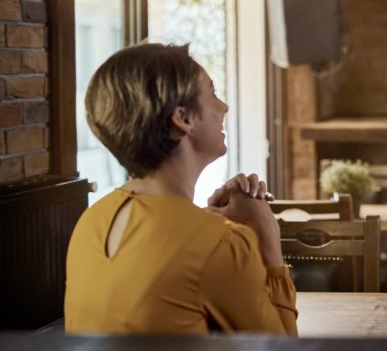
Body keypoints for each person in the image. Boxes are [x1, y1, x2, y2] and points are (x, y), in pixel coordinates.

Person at [64, 43, 297, 335]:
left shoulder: (90, 222)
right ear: (183, 119)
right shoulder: (219, 243)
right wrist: (266, 239)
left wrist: (206, 222)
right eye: (212, 93)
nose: (223, 106)